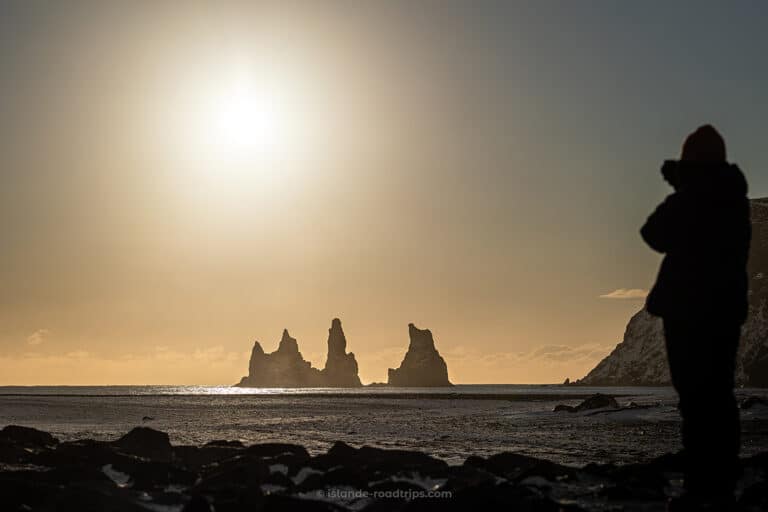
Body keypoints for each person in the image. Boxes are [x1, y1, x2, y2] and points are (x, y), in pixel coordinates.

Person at [641, 125, 751, 510]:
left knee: (697, 398)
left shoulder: (699, 198)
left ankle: (705, 488)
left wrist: (681, 189)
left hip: (689, 311)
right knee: (716, 396)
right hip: (721, 310)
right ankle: (717, 483)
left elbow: (654, 232)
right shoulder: (733, 198)